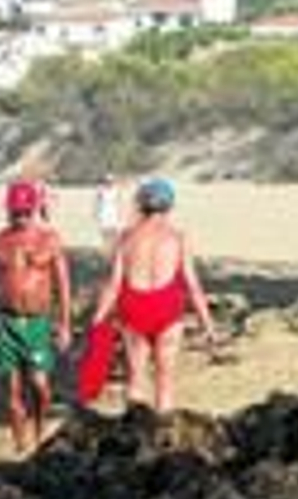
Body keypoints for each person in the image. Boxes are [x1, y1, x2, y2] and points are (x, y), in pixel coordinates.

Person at [91, 177, 215, 413]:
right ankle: (162, 440)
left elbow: (114, 284)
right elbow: (192, 284)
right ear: (170, 206)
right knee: (165, 381)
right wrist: (206, 323)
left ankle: (134, 436)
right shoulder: (177, 237)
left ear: (141, 205)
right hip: (167, 306)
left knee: (136, 379)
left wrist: (98, 318)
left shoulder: (126, 237)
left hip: (134, 307)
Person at [0, 180, 72, 454]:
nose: (20, 217)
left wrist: (64, 325)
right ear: (8, 211)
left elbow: (63, 284)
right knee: (13, 391)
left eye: (25, 212)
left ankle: (40, 431)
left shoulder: (50, 240)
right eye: (15, 212)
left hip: (38, 322)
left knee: (40, 386)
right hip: (6, 321)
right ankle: (20, 444)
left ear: (34, 209)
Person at [93, 172, 124, 252]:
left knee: (115, 231)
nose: (109, 183)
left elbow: (119, 202)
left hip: (113, 211)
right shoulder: (100, 190)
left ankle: (115, 248)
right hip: (104, 211)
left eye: (111, 181)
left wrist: (120, 213)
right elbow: (97, 201)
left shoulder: (116, 190)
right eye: (107, 181)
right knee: (105, 232)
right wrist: (96, 212)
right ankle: (106, 248)